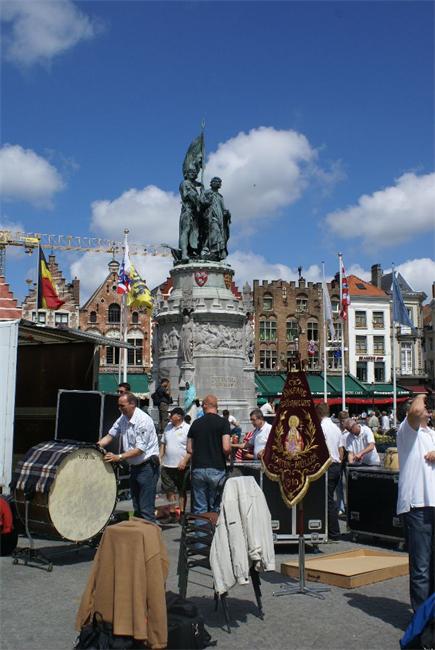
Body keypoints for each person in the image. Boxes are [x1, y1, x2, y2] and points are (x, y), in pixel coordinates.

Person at [396, 395, 435, 612]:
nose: (427, 409)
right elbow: (416, 412)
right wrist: (424, 393)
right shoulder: (407, 430)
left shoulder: (432, 433)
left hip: (432, 504)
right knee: (421, 569)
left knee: (431, 567)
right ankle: (421, 621)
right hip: (417, 506)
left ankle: (431, 615)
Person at [98, 392, 159, 523]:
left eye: (122, 406)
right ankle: (140, 534)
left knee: (146, 508)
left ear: (132, 404)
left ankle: (151, 534)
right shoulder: (123, 418)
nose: (120, 408)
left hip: (147, 467)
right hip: (135, 466)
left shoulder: (143, 420)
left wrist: (118, 457)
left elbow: (139, 450)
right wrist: (95, 448)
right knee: (137, 507)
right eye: (118, 406)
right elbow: (110, 436)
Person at [187, 395, 231, 513]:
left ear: (205, 406)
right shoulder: (223, 422)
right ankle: (215, 525)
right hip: (216, 467)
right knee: (216, 506)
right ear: (216, 406)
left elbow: (189, 448)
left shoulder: (196, 423)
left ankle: (201, 525)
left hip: (198, 468)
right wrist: (227, 455)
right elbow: (226, 447)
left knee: (199, 507)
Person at [159, 407, 191, 523]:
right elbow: (163, 443)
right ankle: (172, 513)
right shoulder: (168, 427)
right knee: (169, 490)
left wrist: (185, 461)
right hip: (167, 465)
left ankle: (182, 514)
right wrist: (160, 457)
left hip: (182, 466)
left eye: (172, 414)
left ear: (179, 417)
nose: (169, 416)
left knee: (182, 490)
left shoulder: (188, 428)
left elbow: (191, 448)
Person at [316, 403, 342, 540]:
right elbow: (340, 449)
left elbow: (320, 448)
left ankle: (333, 532)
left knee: (327, 500)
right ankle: (331, 531)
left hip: (327, 465)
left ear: (318, 413)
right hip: (336, 465)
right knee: (330, 498)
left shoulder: (321, 428)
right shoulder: (336, 428)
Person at [200, 177, 231, 261]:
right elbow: (201, 202)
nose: (218, 183)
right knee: (215, 232)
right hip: (210, 217)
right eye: (216, 181)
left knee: (220, 234)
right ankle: (213, 251)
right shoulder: (207, 192)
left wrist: (227, 214)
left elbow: (223, 208)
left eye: (219, 182)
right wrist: (207, 202)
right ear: (211, 183)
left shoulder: (220, 196)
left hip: (220, 218)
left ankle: (217, 253)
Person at [179, 167, 202, 262]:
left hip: (194, 212)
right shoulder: (185, 183)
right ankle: (184, 253)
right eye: (190, 172)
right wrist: (198, 199)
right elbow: (187, 195)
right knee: (186, 230)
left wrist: (200, 186)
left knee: (194, 233)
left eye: (194, 172)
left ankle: (191, 251)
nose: (193, 173)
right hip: (188, 210)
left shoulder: (192, 185)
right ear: (186, 174)